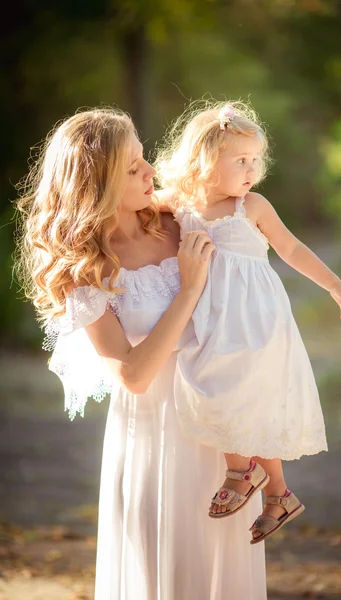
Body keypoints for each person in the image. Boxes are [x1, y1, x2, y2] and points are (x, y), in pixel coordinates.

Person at [15, 107, 268, 599]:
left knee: (226, 571)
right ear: (98, 184)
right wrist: (188, 289)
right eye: (132, 169)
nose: (150, 171)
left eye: (143, 158)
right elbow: (132, 374)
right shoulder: (86, 270)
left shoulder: (182, 219)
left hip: (223, 428)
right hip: (156, 435)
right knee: (168, 572)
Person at [155, 101, 341, 543]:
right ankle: (279, 492)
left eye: (256, 160)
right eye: (240, 160)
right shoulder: (181, 205)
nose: (252, 169)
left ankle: (241, 472)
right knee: (214, 389)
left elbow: (291, 249)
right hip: (209, 318)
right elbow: (136, 206)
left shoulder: (250, 206)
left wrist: (336, 286)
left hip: (256, 321)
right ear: (204, 160)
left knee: (243, 396)